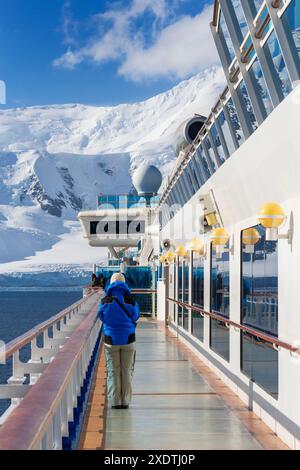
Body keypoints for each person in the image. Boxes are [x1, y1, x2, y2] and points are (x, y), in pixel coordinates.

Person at [98, 272, 140, 409]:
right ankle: (125, 401)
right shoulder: (131, 300)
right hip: (128, 339)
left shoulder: (105, 301)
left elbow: (102, 317)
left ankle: (115, 402)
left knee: (113, 371)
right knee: (126, 370)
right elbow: (136, 316)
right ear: (124, 283)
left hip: (111, 340)